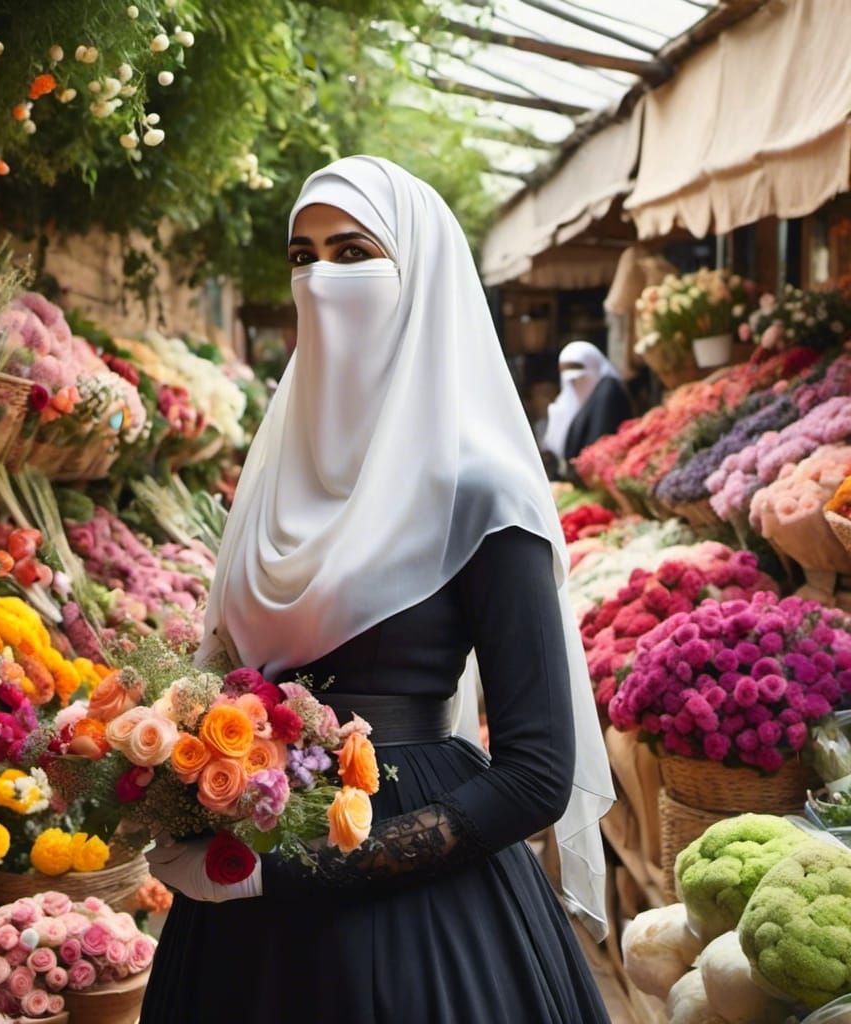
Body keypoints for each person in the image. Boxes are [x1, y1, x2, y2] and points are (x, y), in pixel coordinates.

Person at [140, 156, 615, 1024]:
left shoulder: (480, 490)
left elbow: (540, 772)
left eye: (355, 252)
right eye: (303, 255)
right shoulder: (273, 476)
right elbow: (219, 669)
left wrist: (289, 870)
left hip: (413, 912)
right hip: (243, 904)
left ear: (421, 275)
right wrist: (164, 778)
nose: (323, 279)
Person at [542, 341, 633, 474]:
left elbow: (600, 441)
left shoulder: (608, 391)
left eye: (578, 376)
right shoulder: (576, 397)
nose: (574, 383)